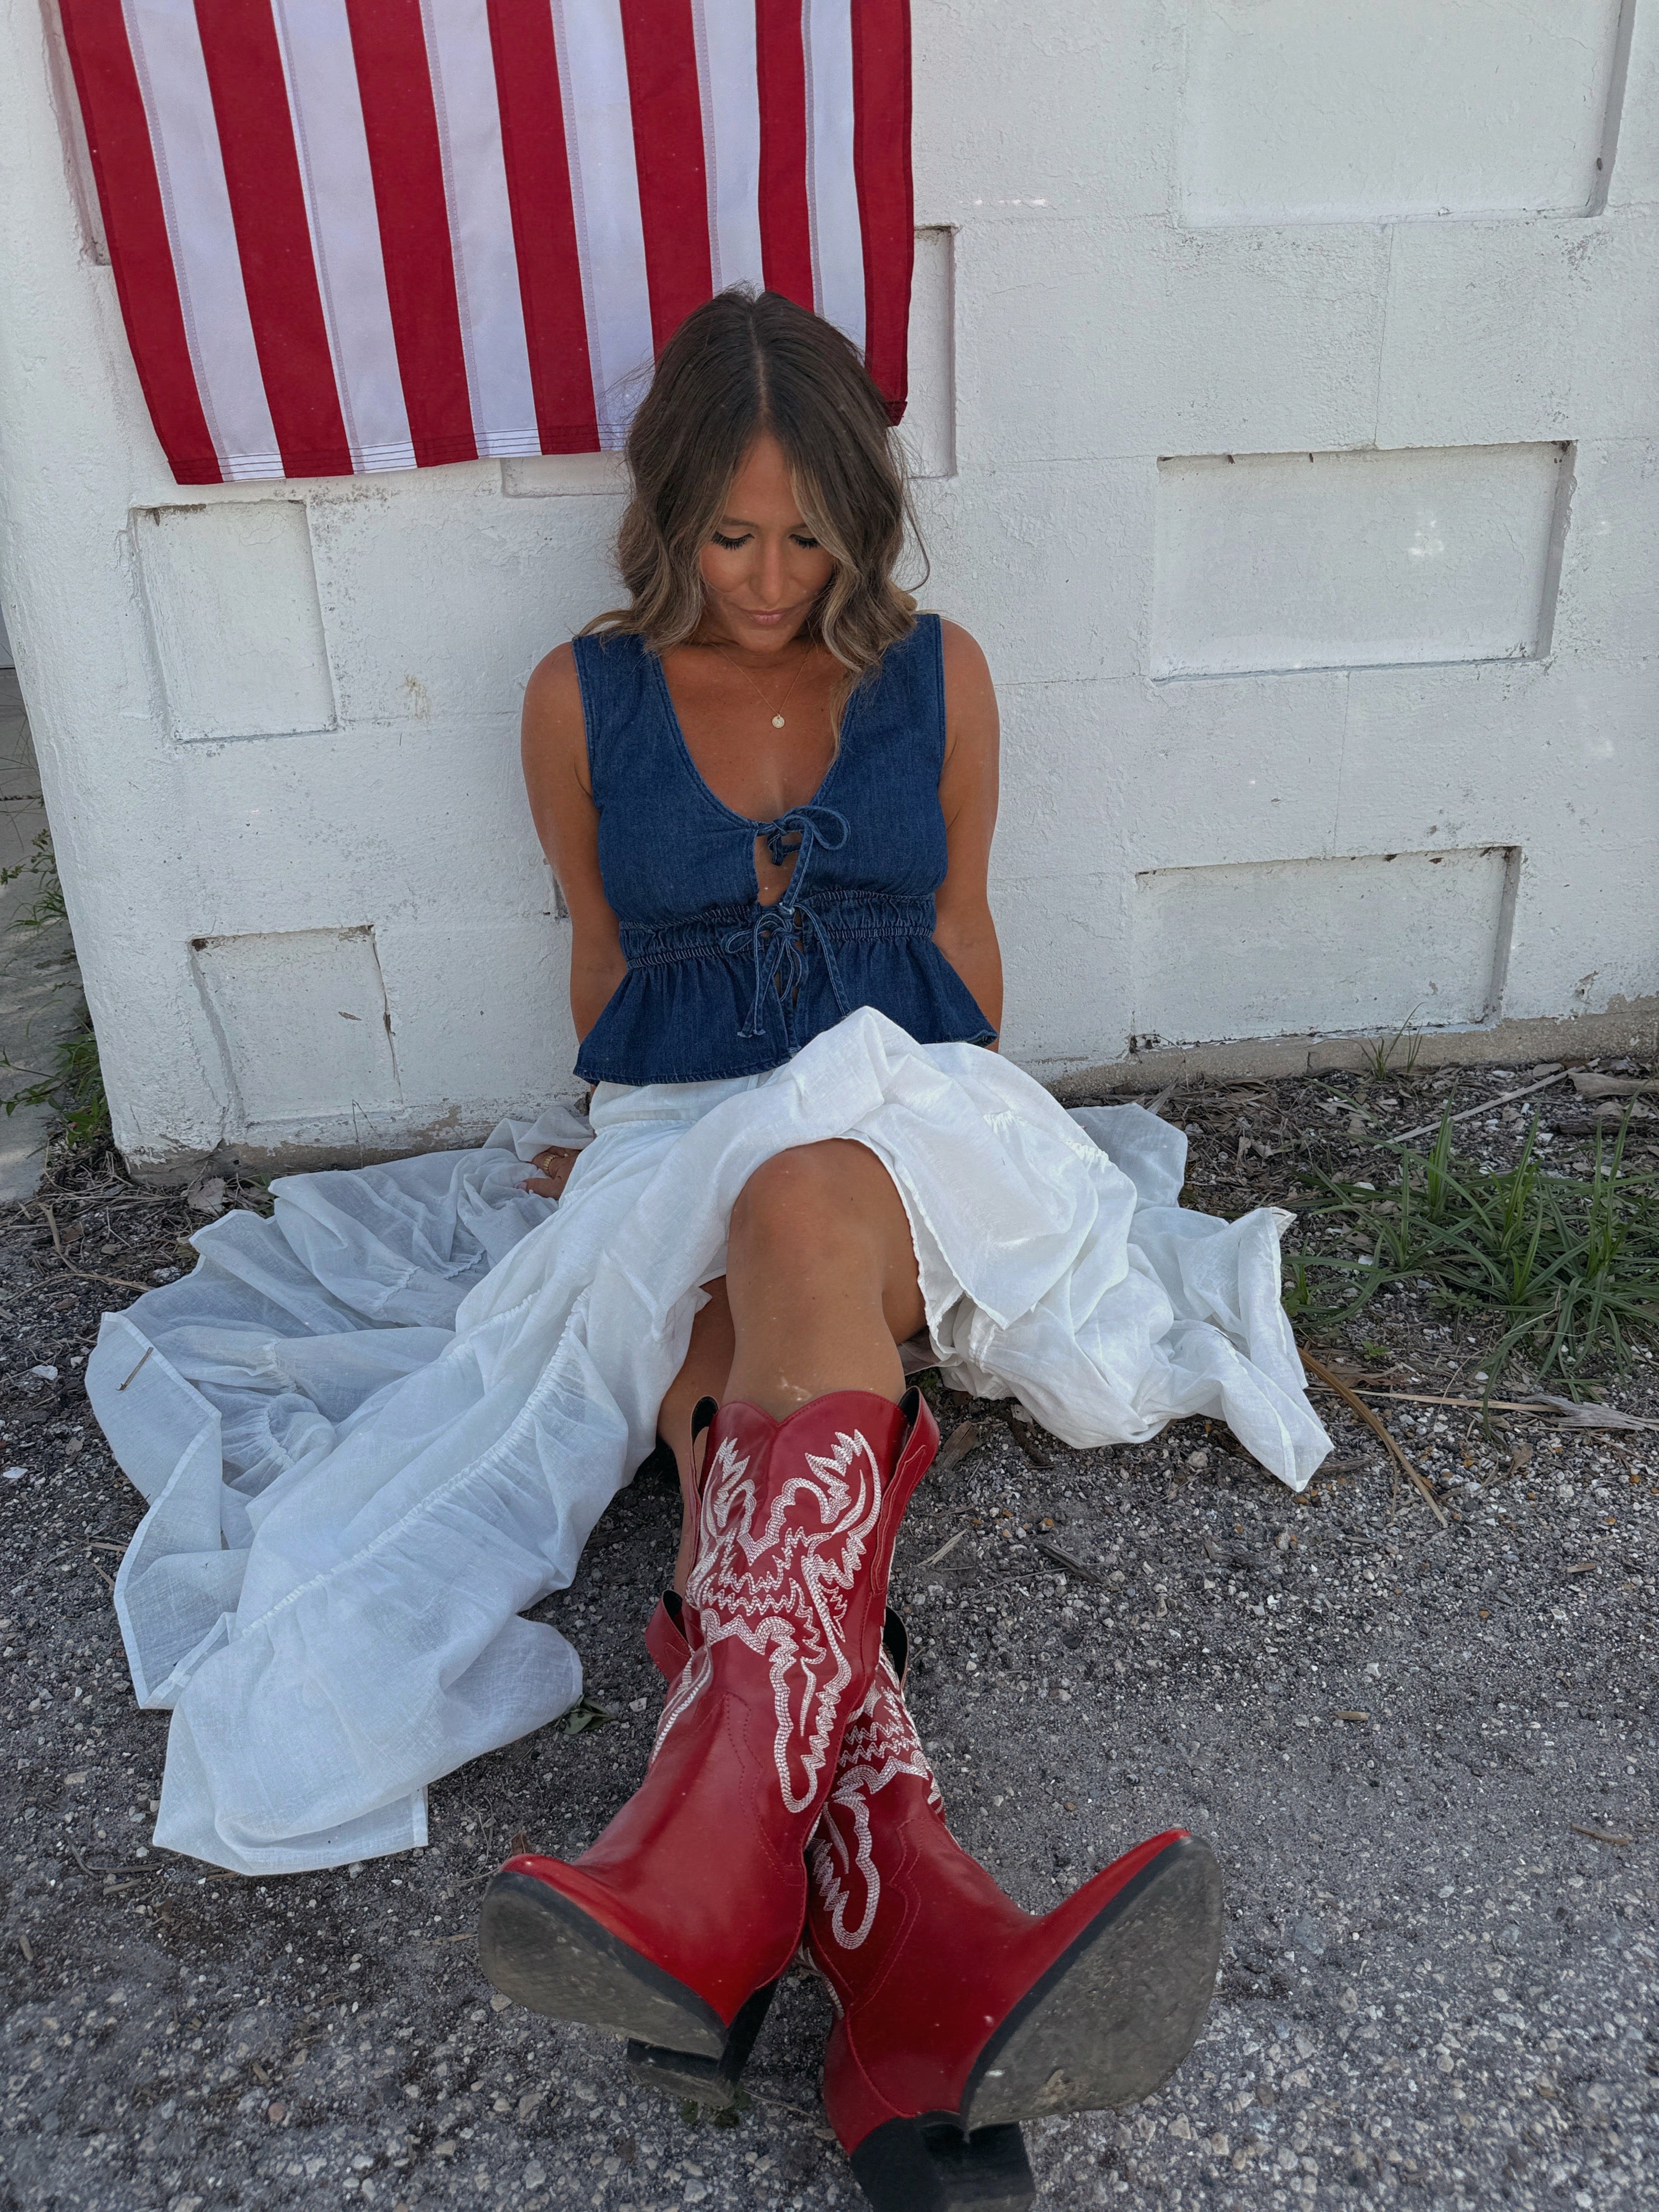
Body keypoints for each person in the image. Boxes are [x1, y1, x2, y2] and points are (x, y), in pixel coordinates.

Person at [470, 289, 1290, 2212]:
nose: (770, 581)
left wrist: (909, 1138)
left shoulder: (944, 676)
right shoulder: (574, 699)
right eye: (729, 536)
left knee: (806, 1199)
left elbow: (970, 963)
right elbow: (601, 969)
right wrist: (615, 1174)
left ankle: (705, 1876)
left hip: (906, 1130)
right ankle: (912, 1946)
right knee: (704, 1383)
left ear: (866, 518)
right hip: (688, 1130)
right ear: (664, 516)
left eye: (811, 534)